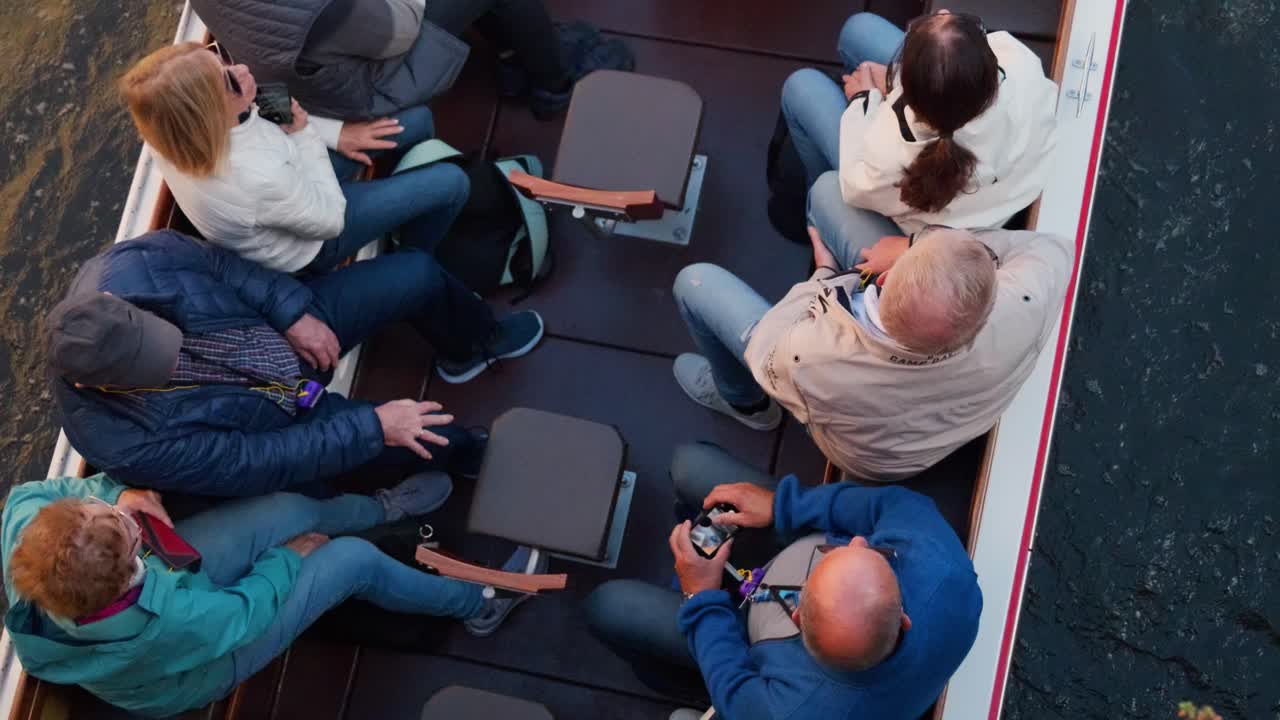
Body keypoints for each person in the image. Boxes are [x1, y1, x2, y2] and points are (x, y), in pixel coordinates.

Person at [45, 229, 544, 497]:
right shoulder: (122, 442)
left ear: (122, 304)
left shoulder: (133, 261)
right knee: (428, 437)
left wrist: (292, 313)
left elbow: (223, 266)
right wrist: (372, 428)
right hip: (280, 422)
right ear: (98, 385)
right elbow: (253, 464)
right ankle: (466, 458)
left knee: (417, 273)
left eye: (156, 339)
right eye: (149, 367)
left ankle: (474, 343)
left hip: (284, 334)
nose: (169, 356)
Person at [1, 472, 538, 717]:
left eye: (106, 515)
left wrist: (116, 493)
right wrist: (290, 558)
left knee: (287, 508)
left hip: (179, 593)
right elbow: (243, 613)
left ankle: (381, 510)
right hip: (198, 660)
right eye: (125, 527)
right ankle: (478, 605)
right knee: (350, 561)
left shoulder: (27, 531)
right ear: (126, 574)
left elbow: (40, 492)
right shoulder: (161, 624)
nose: (123, 517)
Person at [585, 443, 982, 720]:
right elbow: (890, 506)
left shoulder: (789, 712)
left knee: (607, 606)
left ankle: (677, 682)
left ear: (796, 616)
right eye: (867, 552)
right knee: (690, 464)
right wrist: (781, 505)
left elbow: (736, 688)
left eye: (834, 555)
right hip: (792, 571)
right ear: (902, 618)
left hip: (747, 635)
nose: (858, 539)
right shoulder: (946, 571)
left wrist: (700, 595)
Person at [672, 223, 1073, 481]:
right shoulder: (1026, 296)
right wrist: (924, 246)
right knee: (829, 190)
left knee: (695, 283)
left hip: (869, 461)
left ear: (883, 277)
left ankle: (748, 406)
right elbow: (1052, 246)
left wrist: (824, 276)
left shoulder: (812, 355)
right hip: (926, 441)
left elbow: (767, 350)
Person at [121, 42, 468, 276]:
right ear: (209, 114)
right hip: (315, 240)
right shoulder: (254, 178)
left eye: (220, 57)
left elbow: (262, 111)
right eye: (228, 79)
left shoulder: (173, 133)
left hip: (294, 176)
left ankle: (408, 205)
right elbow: (331, 219)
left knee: (417, 119)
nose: (240, 67)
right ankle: (415, 252)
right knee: (451, 183)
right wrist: (305, 136)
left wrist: (337, 134)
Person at [780, 11, 1058, 248]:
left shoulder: (890, 154)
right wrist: (897, 86)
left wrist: (863, 100)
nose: (942, 11)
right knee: (859, 28)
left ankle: (810, 216)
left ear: (910, 97)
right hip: (1002, 197)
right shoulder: (1019, 62)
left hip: (943, 232)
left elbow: (855, 184)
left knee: (801, 87)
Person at [188, 0, 633, 121]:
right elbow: (398, 32)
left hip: (302, 77)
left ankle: (516, 53)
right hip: (363, 84)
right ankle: (552, 86)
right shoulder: (326, 9)